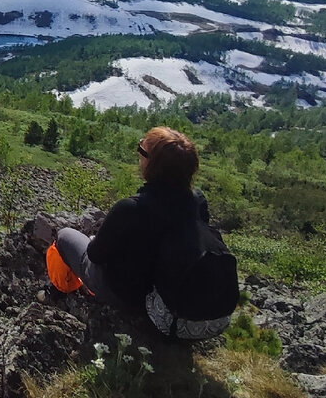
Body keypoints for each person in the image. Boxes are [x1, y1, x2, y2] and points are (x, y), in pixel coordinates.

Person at [55, 126, 210, 313]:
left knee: (64, 236)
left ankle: (59, 293)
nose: (138, 156)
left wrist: (96, 241)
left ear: (152, 164)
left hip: (128, 298)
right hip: (171, 301)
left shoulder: (130, 208)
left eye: (141, 151)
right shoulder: (198, 203)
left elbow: (95, 256)